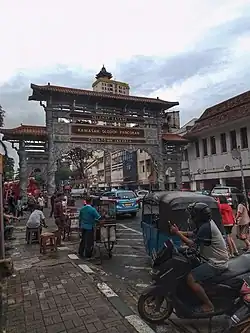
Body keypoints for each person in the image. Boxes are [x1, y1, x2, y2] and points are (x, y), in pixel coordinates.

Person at [170, 202, 229, 314]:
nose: (191, 217)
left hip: (216, 263)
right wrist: (178, 231)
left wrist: (177, 233)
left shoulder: (206, 227)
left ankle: (208, 305)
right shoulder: (205, 224)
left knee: (190, 278)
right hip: (209, 259)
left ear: (198, 216)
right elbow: (193, 234)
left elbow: (192, 244)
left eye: (192, 214)